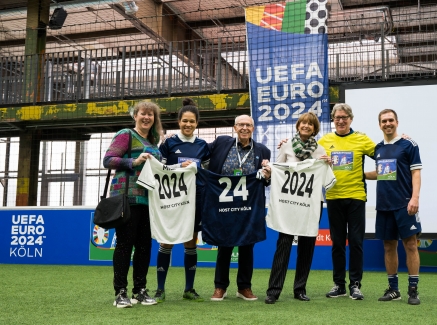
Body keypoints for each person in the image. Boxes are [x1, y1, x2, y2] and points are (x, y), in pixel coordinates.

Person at [264, 112, 331, 304]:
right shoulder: (286, 145)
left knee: (307, 246)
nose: (306, 126)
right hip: (288, 203)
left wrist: (327, 164)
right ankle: (273, 291)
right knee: (283, 244)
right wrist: (269, 169)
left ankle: (300, 289)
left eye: (310, 124)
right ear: (298, 125)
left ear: (314, 128)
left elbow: (325, 177)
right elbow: (278, 169)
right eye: (303, 123)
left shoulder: (320, 150)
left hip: (311, 204)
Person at [103, 101, 162, 308]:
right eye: (143, 114)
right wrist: (133, 162)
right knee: (124, 244)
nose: (147, 118)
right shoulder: (125, 134)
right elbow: (108, 160)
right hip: (126, 199)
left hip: (149, 201)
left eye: (151, 115)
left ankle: (140, 290)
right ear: (135, 115)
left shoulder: (154, 142)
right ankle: (120, 292)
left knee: (145, 246)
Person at [208, 114, 271, 301]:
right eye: (241, 124)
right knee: (224, 245)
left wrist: (268, 175)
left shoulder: (263, 150)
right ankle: (220, 287)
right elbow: (201, 153)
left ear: (253, 128)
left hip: (249, 207)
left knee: (247, 246)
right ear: (235, 128)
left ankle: (244, 287)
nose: (245, 128)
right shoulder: (221, 143)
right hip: (223, 204)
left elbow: (266, 181)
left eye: (248, 125)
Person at [153, 98, 210, 302]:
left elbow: (207, 172)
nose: (188, 124)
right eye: (185, 121)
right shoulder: (168, 143)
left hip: (194, 200)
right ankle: (160, 289)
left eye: (192, 121)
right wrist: (179, 167)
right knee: (166, 241)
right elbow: (160, 169)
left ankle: (189, 289)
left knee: (190, 242)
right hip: (171, 200)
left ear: (197, 123)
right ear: (179, 121)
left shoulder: (203, 146)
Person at [318, 103, 375, 300]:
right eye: (337, 117)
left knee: (357, 242)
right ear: (333, 120)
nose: (341, 121)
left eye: (344, 117)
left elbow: (384, 155)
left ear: (351, 119)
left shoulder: (362, 139)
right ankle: (339, 285)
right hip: (333, 197)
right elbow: (308, 158)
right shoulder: (325, 141)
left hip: (356, 197)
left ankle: (355, 285)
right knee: (338, 243)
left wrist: (399, 142)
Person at [364, 109, 422, 305]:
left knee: (411, 245)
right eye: (383, 121)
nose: (387, 123)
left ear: (397, 122)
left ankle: (413, 290)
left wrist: (415, 198)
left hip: (405, 204)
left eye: (390, 120)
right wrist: (360, 174)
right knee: (389, 246)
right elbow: (382, 172)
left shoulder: (409, 144)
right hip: (384, 205)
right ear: (379, 124)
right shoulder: (378, 148)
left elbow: (416, 174)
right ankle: (393, 289)